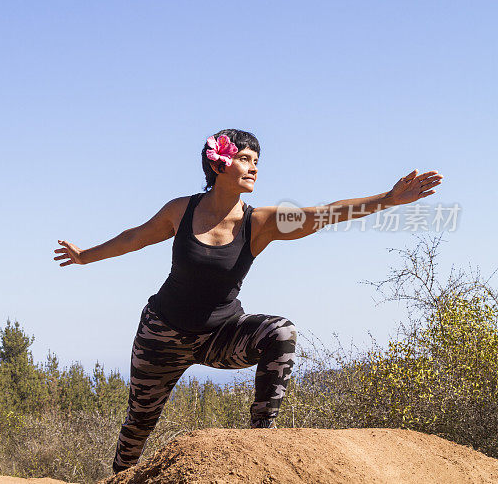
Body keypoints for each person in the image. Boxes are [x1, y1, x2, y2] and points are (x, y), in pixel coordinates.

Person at [52, 129, 443, 474]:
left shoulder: (261, 222)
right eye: (245, 159)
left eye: (257, 161)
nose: (254, 167)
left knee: (282, 331)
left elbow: (324, 214)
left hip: (222, 335)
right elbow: (134, 237)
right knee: (138, 426)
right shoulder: (181, 211)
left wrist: (388, 199)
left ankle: (261, 438)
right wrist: (85, 256)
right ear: (219, 163)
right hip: (163, 335)